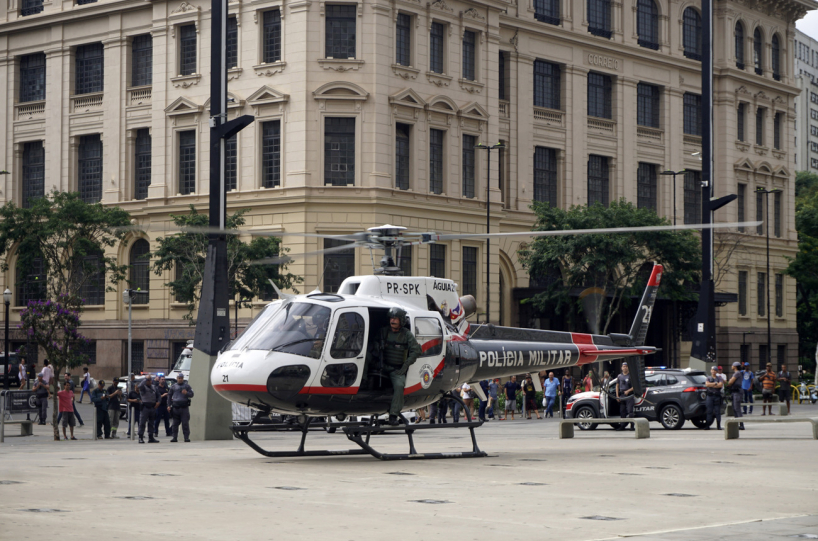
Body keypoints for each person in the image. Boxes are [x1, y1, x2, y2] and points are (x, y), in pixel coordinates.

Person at [369, 306, 422, 426]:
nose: (392, 321)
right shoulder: (383, 331)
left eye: (396, 319)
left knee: (399, 386)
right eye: (391, 318)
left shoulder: (406, 334)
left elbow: (416, 351)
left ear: (401, 320)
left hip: (396, 369)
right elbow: (373, 343)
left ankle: (393, 415)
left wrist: (405, 366)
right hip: (382, 365)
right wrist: (378, 347)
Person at [168, 373, 195, 442]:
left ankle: (186, 437)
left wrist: (187, 393)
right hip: (175, 408)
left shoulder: (187, 386)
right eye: (179, 378)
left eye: (181, 378)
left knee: (185, 423)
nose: (180, 379)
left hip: (184, 408)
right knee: (175, 424)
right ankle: (174, 437)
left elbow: (192, 394)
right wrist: (168, 405)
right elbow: (169, 396)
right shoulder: (173, 386)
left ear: (183, 378)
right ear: (177, 378)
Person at [138, 374, 161, 443]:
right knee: (142, 423)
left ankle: (151, 437)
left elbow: (159, 395)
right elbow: (140, 386)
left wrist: (158, 402)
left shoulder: (154, 387)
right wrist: (145, 379)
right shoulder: (143, 388)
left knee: (151, 423)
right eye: (148, 380)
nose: (150, 381)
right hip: (145, 407)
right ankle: (140, 437)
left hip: (153, 407)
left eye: (150, 380)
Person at [615, 362, 634, 430]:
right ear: (621, 368)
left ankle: (632, 426)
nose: (625, 367)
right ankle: (622, 426)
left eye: (626, 366)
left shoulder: (630, 376)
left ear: (628, 367)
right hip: (622, 395)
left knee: (630, 411)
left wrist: (628, 391)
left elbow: (635, 387)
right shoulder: (619, 376)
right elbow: (617, 386)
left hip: (629, 395)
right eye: (623, 366)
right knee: (622, 411)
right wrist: (617, 396)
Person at [727, 362, 745, 430]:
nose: (731, 366)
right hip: (734, 392)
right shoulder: (736, 373)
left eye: (732, 365)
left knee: (737, 408)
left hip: (737, 392)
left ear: (735, 366)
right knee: (734, 408)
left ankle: (741, 424)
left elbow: (730, 382)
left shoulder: (737, 373)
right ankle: (737, 423)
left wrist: (730, 381)